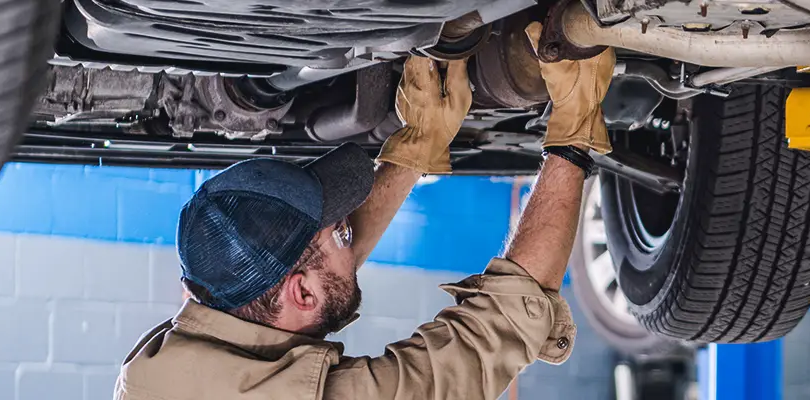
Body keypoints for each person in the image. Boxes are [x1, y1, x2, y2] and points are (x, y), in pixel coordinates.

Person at [114, 41, 618, 399]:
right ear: (301, 294)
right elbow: (499, 329)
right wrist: (574, 133)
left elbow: (320, 269)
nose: (348, 229)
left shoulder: (167, 370)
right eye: (341, 230)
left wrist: (413, 147)